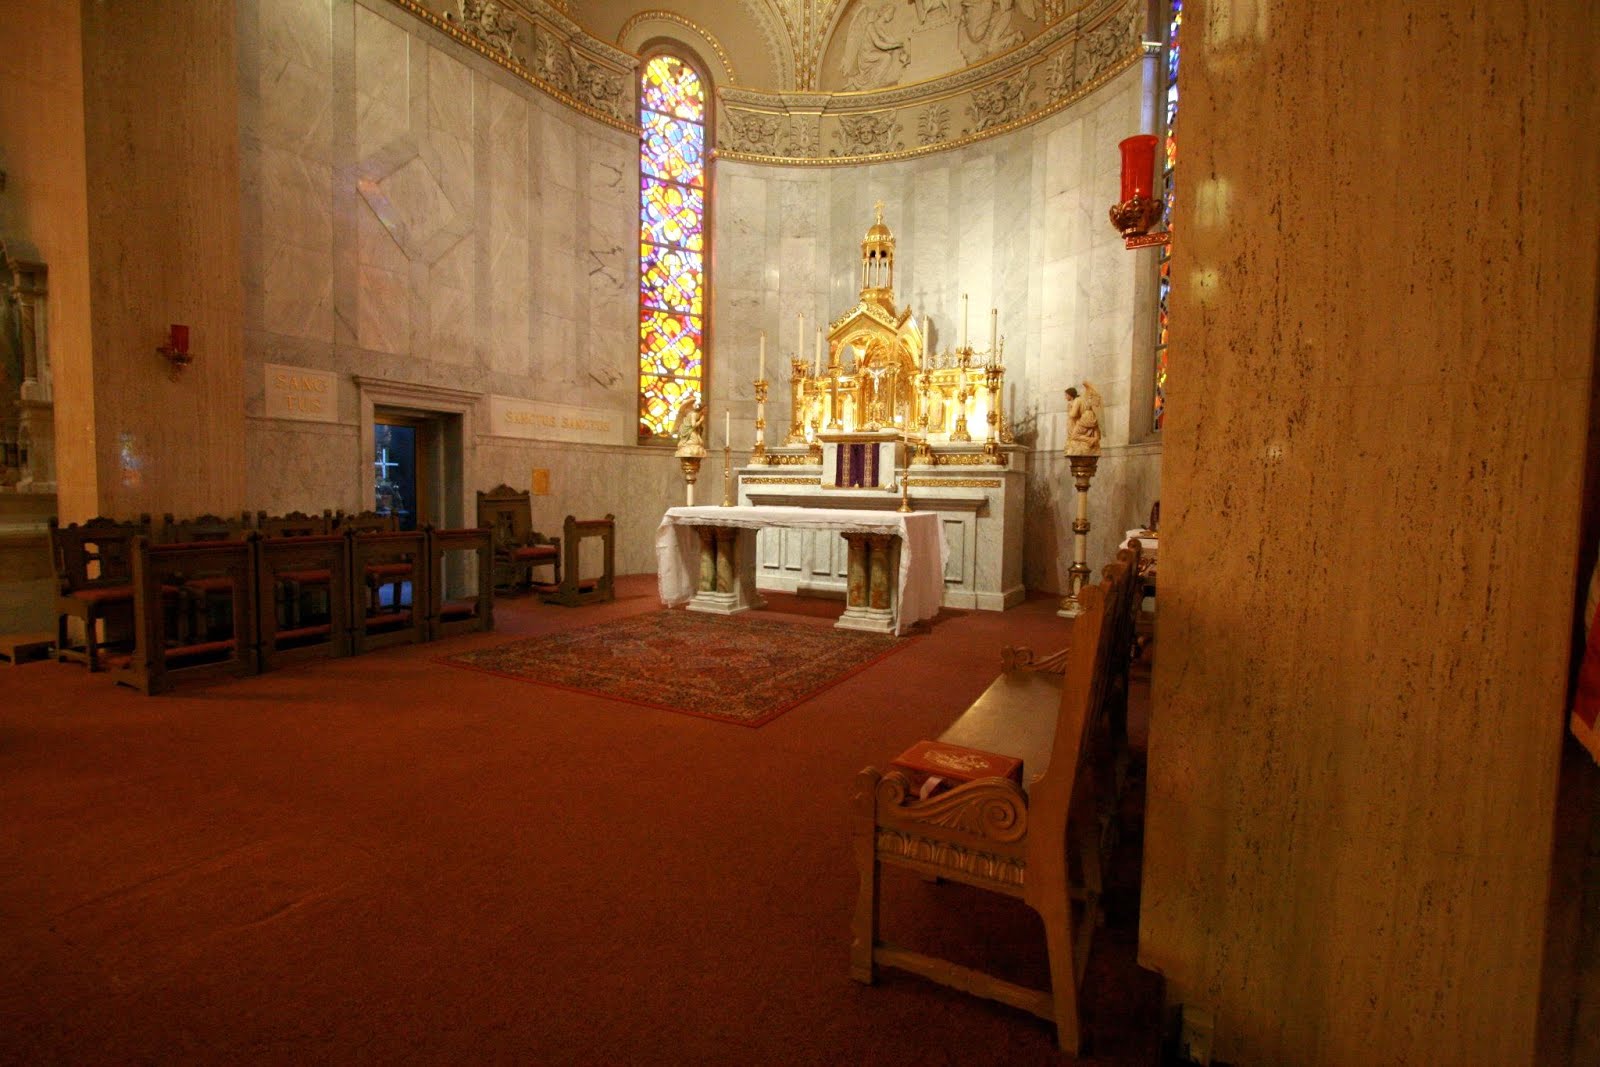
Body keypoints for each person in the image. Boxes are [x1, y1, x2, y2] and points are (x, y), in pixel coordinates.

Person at [1066, 381, 1102, 455]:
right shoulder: (1082, 399)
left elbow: (1073, 414)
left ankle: (1091, 440)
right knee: (1091, 431)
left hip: (1085, 417)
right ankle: (1094, 439)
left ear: (1070, 395)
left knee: (1074, 435)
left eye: (1066, 395)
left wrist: (1069, 409)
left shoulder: (1077, 400)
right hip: (1091, 415)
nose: (1065, 397)